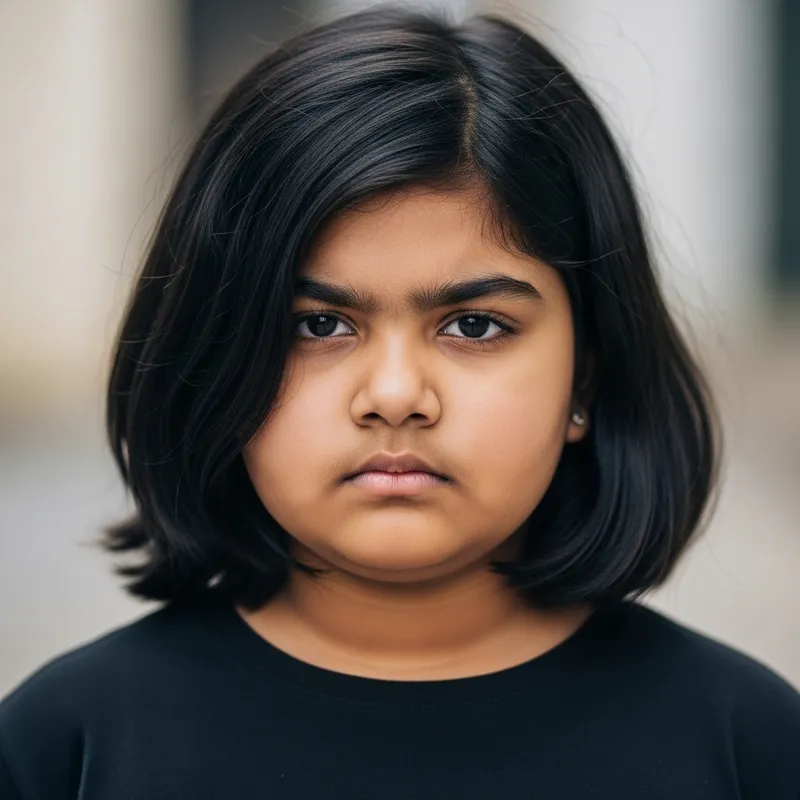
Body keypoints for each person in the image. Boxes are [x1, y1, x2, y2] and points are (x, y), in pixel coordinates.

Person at [1, 4, 798, 798]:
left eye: (475, 325)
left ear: (585, 375)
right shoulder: (64, 749)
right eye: (318, 325)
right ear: (214, 352)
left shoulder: (746, 748)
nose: (393, 396)